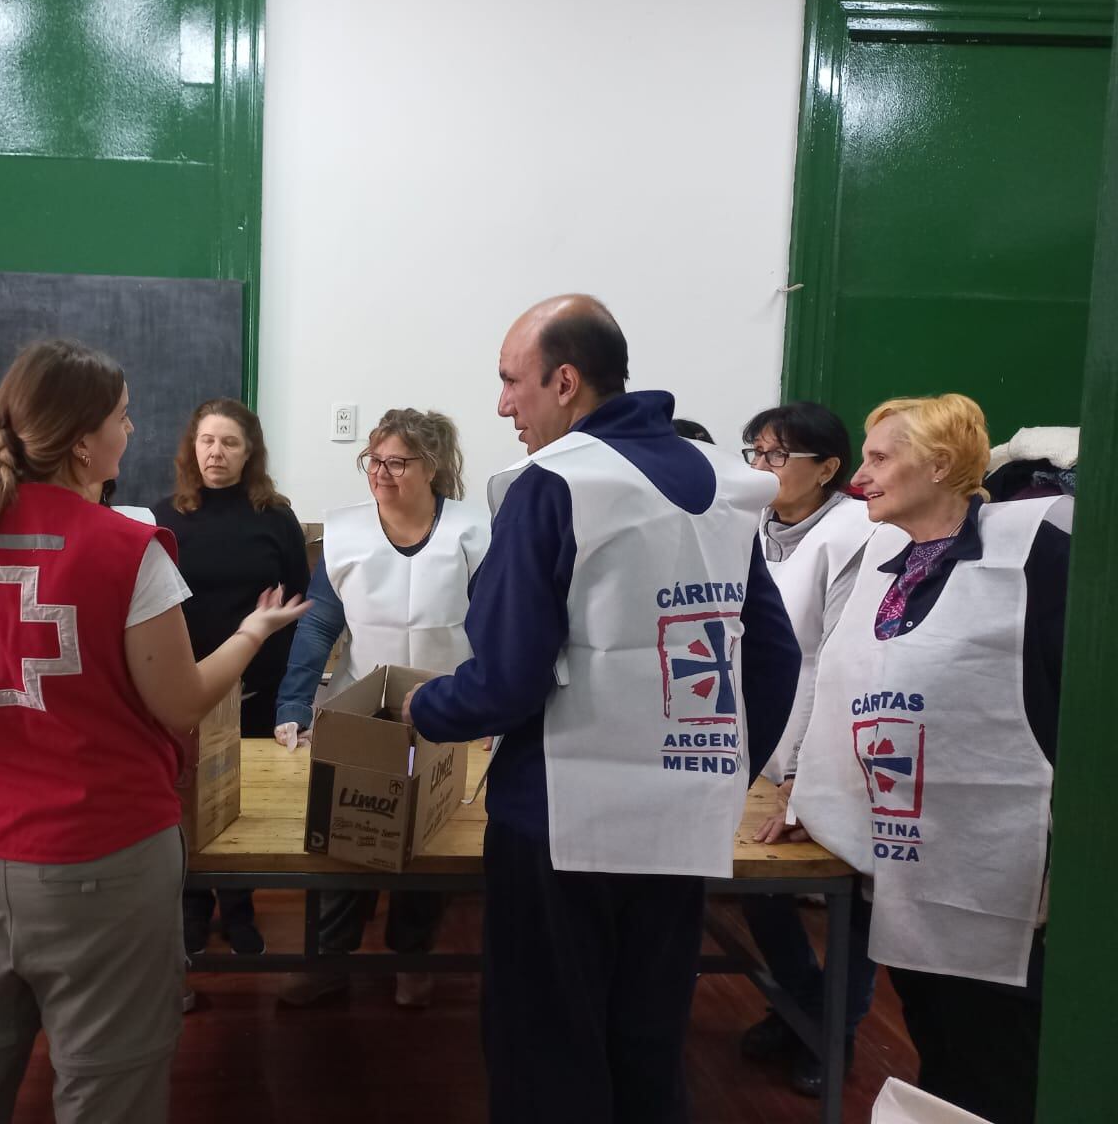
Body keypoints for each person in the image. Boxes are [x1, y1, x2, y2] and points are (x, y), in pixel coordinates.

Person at [401, 294, 801, 1123]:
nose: (502, 404)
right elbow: (771, 652)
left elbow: (506, 683)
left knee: (548, 1050)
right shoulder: (733, 485)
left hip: (560, 823)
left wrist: (423, 708)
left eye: (512, 382)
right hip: (679, 824)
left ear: (567, 381)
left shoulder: (554, 485)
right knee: (648, 1043)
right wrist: (724, 773)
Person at [0, 340, 308, 1124]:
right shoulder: (131, 549)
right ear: (85, 441)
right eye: (123, 417)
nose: (132, 431)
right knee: (107, 1089)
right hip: (104, 868)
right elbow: (180, 703)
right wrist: (253, 633)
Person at [792, 394, 1071, 1124]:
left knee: (1003, 1062)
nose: (859, 476)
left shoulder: (1036, 556)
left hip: (1000, 872)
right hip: (906, 864)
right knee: (940, 1051)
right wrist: (815, 803)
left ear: (941, 464)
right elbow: (847, 694)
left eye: (881, 457)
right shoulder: (887, 559)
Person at [272, 407, 490, 1009]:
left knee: (428, 835)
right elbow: (318, 625)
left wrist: (496, 710)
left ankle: (411, 955)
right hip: (360, 706)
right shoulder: (345, 532)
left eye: (399, 462)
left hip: (447, 707)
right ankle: (329, 957)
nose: (382, 474)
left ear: (434, 466)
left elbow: (498, 626)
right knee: (344, 828)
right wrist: (293, 701)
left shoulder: (476, 532)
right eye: (375, 461)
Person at [733, 402, 879, 1096]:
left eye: (777, 456)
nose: (762, 468)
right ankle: (799, 1005)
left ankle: (834, 1032)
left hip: (826, 739)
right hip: (757, 735)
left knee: (844, 895)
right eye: (755, 452)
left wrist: (805, 773)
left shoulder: (855, 534)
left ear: (827, 469)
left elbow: (843, 658)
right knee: (758, 885)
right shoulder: (746, 525)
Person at [152, 399, 310, 958]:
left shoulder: (276, 517)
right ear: (192, 449)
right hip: (183, 689)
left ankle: (240, 905)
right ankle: (193, 906)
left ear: (250, 453)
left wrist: (289, 687)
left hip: (257, 690)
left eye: (230, 443)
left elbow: (296, 599)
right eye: (207, 441)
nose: (216, 452)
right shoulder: (163, 517)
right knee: (187, 799)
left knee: (242, 800)